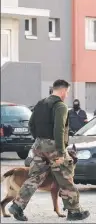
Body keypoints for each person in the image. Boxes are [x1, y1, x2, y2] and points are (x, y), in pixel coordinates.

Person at [8, 79, 89, 222]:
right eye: (67, 92)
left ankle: (17, 206)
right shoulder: (60, 106)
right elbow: (59, 129)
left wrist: (38, 140)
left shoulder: (40, 104)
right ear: (63, 91)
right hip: (54, 147)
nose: (67, 95)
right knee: (65, 178)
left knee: (34, 177)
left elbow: (31, 124)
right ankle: (74, 211)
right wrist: (61, 152)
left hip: (39, 145)